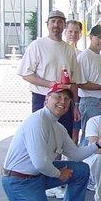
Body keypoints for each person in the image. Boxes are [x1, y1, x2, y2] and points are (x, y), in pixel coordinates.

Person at [0, 83, 101, 201]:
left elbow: (76, 154)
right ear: (47, 98)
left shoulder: (57, 127)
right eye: (58, 96)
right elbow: (40, 163)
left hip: (38, 175)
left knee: (81, 170)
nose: (63, 101)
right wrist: (59, 173)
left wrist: (98, 144)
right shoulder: (37, 122)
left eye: (67, 99)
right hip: (19, 181)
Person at [17, 10, 81, 138]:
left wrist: (76, 105)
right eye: (53, 21)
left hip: (65, 100)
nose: (56, 25)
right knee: (42, 137)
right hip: (42, 97)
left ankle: (58, 159)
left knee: (62, 138)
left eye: (59, 22)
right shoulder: (37, 45)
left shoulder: (69, 50)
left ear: (64, 26)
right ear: (47, 25)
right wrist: (50, 84)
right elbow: (26, 74)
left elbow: (74, 81)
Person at [77, 25, 101, 144]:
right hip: (89, 101)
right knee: (88, 138)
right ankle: (82, 162)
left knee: (98, 137)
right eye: (99, 37)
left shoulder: (99, 56)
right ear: (91, 37)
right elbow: (81, 83)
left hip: (100, 101)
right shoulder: (84, 56)